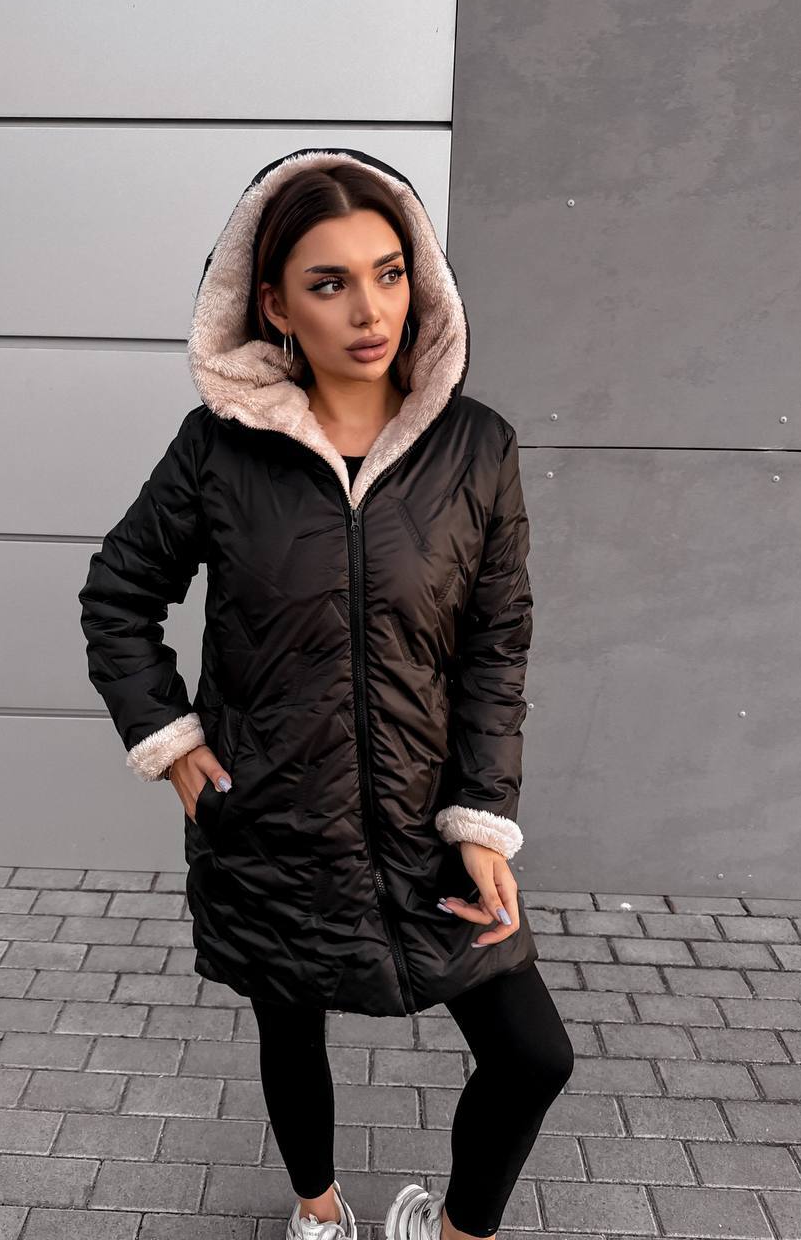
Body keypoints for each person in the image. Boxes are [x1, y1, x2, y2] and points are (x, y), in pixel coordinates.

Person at [78, 147, 574, 1240]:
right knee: (289, 1030)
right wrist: (171, 739)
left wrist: (481, 815)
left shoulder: (477, 448)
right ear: (273, 305)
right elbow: (119, 594)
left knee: (535, 1054)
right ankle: (318, 1210)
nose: (370, 310)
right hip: (273, 822)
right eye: (330, 282)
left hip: (425, 823)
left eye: (389, 273)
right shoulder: (220, 451)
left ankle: (452, 1232)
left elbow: (497, 645)